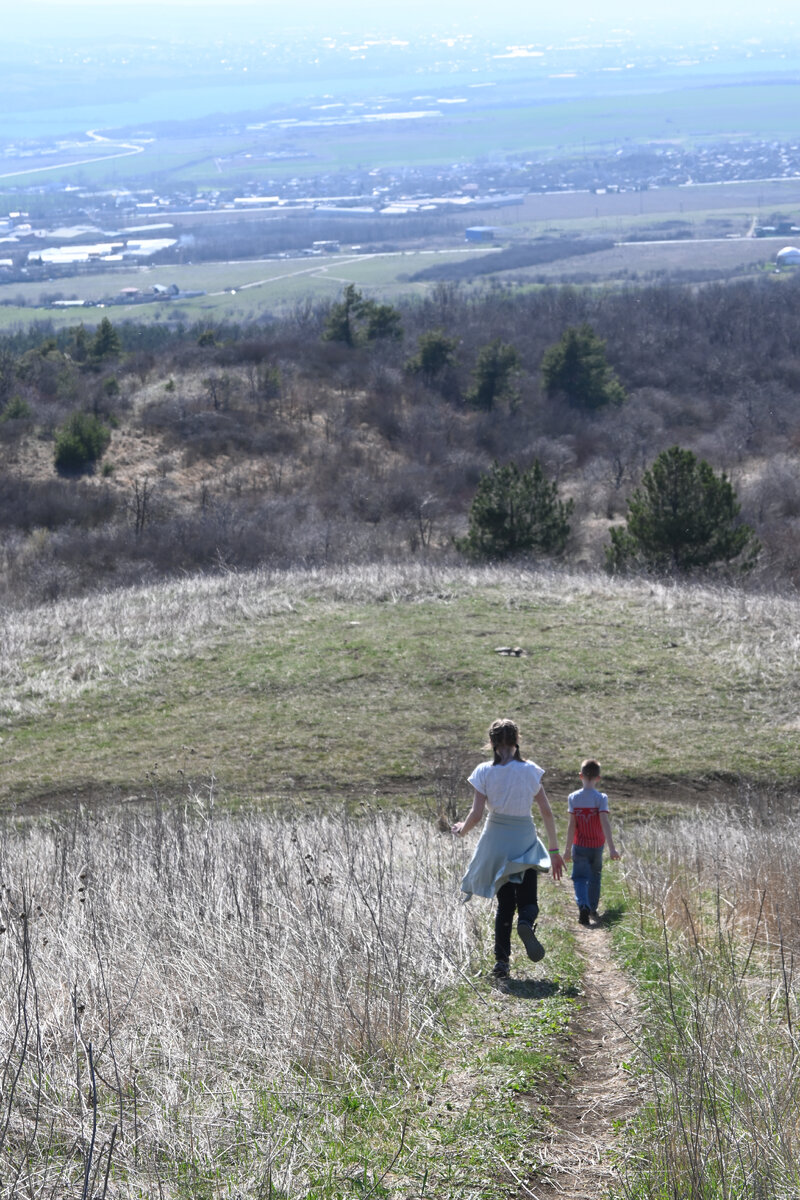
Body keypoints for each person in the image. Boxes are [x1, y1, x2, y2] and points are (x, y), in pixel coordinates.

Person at [452, 718, 564, 979]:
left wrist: (462, 829)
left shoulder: (483, 771)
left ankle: (501, 963)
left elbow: (477, 813)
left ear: (492, 743)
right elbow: (547, 812)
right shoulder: (531, 771)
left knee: (504, 905)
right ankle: (526, 922)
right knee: (528, 900)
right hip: (523, 838)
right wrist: (555, 851)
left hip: (496, 841)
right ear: (517, 741)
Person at [563, 758, 620, 926]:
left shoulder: (573, 798)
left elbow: (572, 825)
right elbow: (605, 822)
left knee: (579, 878)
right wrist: (612, 848)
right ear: (598, 778)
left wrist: (567, 849)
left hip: (579, 845)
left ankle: (583, 905)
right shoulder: (601, 798)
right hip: (597, 846)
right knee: (595, 877)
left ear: (580, 776)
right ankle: (593, 908)